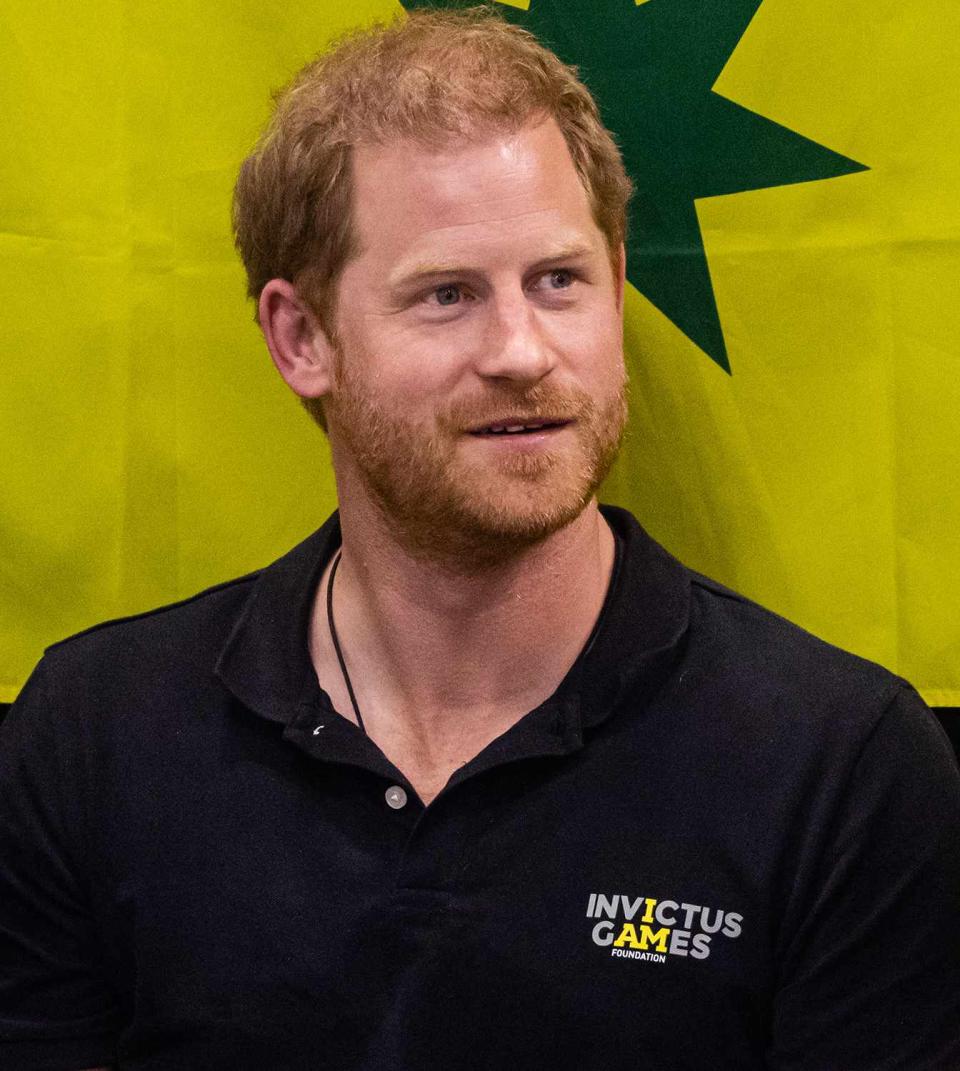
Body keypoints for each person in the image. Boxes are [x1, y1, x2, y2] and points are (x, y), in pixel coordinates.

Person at [1, 8, 958, 1070]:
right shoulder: (92, 735)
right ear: (301, 337)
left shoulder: (845, 765)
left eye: (559, 279)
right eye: (447, 295)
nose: (521, 351)